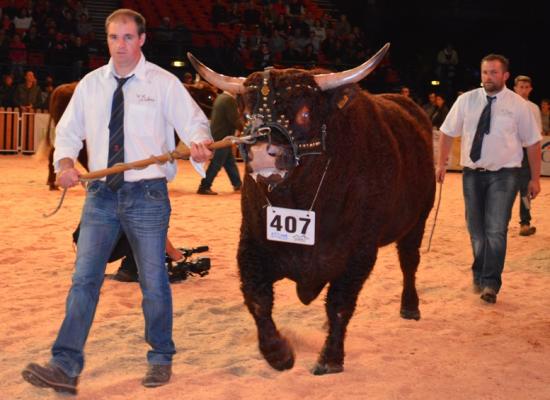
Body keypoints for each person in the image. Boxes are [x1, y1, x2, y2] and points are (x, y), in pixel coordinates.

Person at [21, 9, 212, 394]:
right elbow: (69, 131)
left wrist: (199, 143)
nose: (120, 45)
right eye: (113, 37)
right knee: (83, 281)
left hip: (148, 195)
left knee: (154, 282)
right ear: (106, 40)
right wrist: (63, 162)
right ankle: (65, 365)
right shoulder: (91, 85)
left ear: (142, 40)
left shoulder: (163, 83)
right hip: (100, 196)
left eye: (127, 37)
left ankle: (161, 357)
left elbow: (194, 122)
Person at [436, 54, 541, 304]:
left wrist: (535, 178)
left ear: (505, 76)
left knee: (495, 229)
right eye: (485, 72)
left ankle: (490, 282)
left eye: (494, 73)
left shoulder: (519, 105)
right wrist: (441, 164)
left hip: (505, 175)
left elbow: (533, 143)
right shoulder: (466, 100)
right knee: (476, 230)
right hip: (471, 174)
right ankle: (480, 271)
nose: (488, 77)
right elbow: (447, 132)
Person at [513, 75, 542, 236]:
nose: (523, 90)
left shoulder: (534, 108)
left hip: (525, 153)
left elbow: (536, 135)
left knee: (525, 189)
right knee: (503, 188)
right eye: (520, 87)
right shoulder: (506, 106)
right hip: (508, 152)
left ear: (530, 89)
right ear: (515, 88)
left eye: (526, 87)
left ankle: (525, 222)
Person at [197, 91, 243, 195]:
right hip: (223, 137)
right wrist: (244, 128)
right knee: (217, 163)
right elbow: (234, 119)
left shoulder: (221, 97)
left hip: (218, 135)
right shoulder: (229, 100)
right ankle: (204, 186)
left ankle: (238, 185)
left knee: (229, 162)